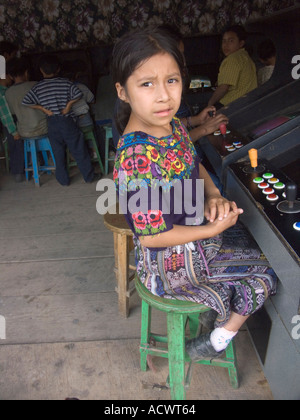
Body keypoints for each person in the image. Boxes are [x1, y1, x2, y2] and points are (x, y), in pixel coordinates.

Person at [112, 27, 277, 360]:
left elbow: (194, 161)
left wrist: (213, 193)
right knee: (271, 272)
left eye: (171, 80)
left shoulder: (168, 124)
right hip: (170, 264)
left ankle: (216, 316)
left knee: (256, 242)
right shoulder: (136, 158)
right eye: (147, 84)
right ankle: (217, 339)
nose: (164, 96)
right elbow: (151, 236)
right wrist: (212, 229)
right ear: (122, 91)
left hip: (196, 240)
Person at [22, 54, 98, 186]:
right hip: (67, 121)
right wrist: (68, 105)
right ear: (58, 70)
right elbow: (78, 94)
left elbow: (26, 101)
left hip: (52, 122)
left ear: (41, 70)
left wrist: (43, 109)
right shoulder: (65, 82)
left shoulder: (38, 87)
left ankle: (63, 180)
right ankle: (89, 176)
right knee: (78, 148)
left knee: (58, 152)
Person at [208, 25, 257, 108]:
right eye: (224, 41)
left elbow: (223, 88)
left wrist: (209, 104)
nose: (226, 45)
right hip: (248, 104)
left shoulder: (232, 59)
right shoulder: (246, 57)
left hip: (232, 106)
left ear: (241, 43)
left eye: (231, 41)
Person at [6, 57, 48, 139]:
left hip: (25, 132)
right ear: (26, 72)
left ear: (10, 76)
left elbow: (13, 112)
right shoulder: (36, 85)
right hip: (45, 129)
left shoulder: (8, 92)